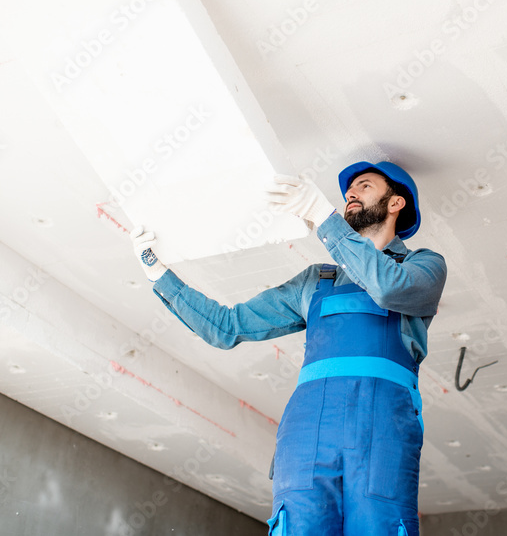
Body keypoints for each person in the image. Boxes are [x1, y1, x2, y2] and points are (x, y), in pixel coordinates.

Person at [129, 161, 447, 536]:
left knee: (382, 526)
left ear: (396, 203)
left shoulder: (422, 266)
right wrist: (158, 273)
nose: (351, 194)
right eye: (348, 191)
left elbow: (388, 288)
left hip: (383, 425)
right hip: (309, 426)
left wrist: (320, 217)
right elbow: (227, 328)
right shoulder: (316, 280)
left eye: (364, 186)